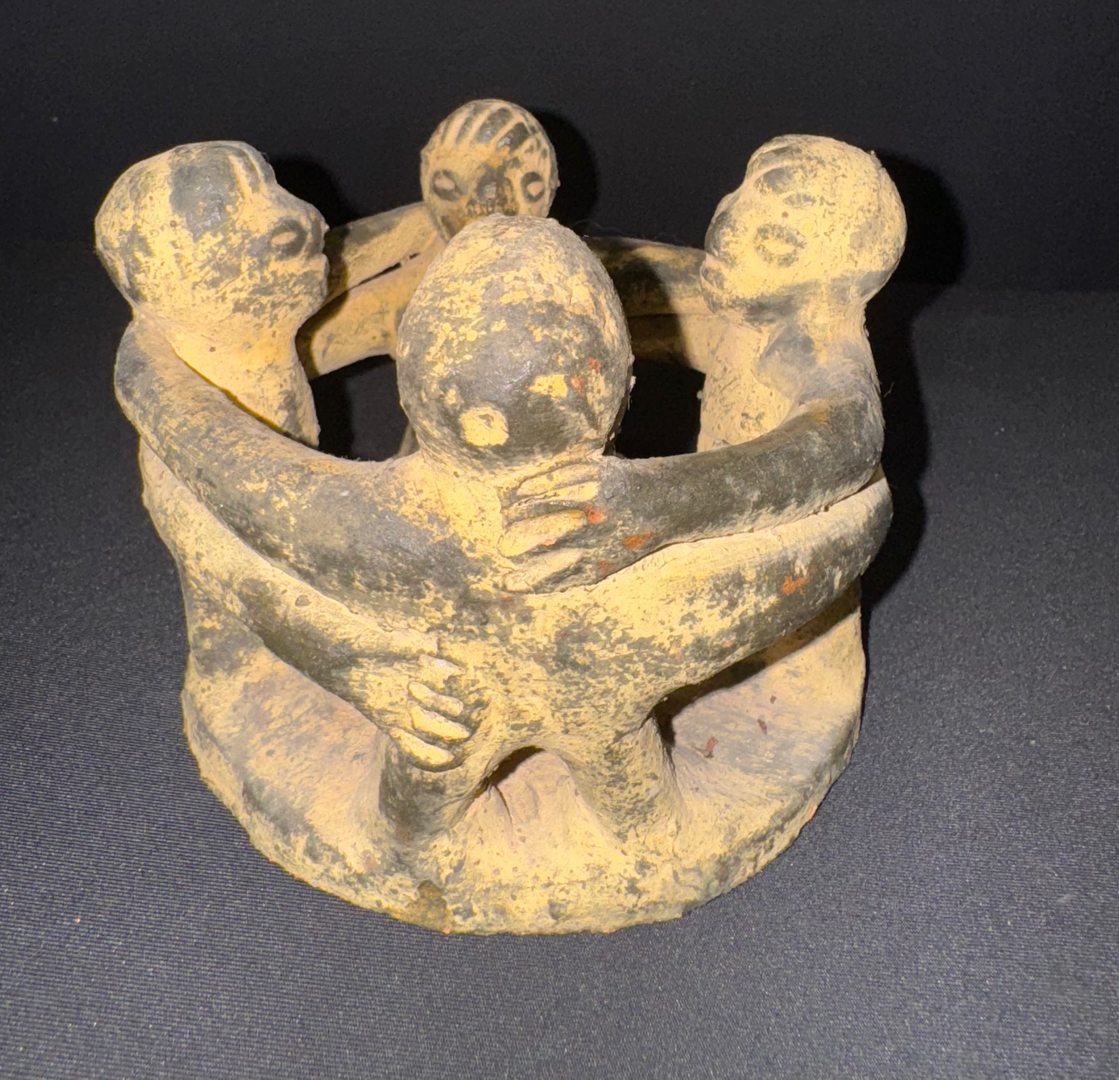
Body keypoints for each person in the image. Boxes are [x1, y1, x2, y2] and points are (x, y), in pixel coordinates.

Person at [117, 214, 890, 844]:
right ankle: (647, 832)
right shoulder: (657, 581)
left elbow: (227, 516)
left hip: (446, 705)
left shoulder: (375, 527)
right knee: (633, 805)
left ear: (412, 378)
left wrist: (146, 363)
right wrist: (669, 506)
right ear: (619, 386)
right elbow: (835, 540)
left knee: (417, 802)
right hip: (601, 696)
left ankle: (407, 834)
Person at [298, 99, 558, 378]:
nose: (487, 201)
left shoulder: (547, 278)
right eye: (448, 186)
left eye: (527, 186)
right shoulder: (425, 234)